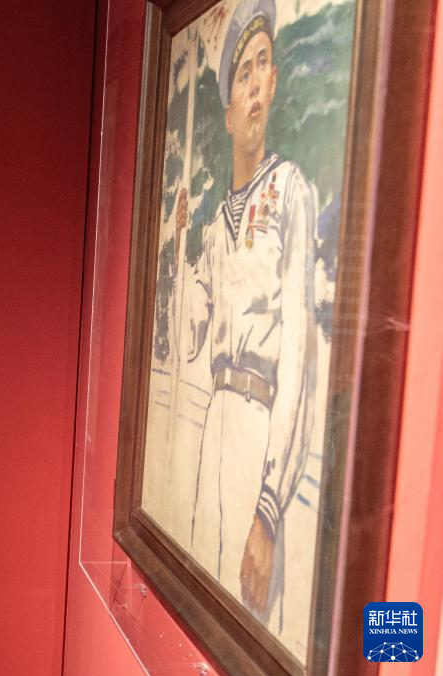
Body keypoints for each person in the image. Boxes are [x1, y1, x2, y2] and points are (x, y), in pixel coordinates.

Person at [171, 0, 317, 622]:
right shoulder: (214, 230)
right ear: (227, 111)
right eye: (243, 73)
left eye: (263, 66)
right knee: (198, 608)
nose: (255, 83)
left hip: (261, 427)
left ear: (275, 82)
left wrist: (269, 505)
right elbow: (188, 338)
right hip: (216, 425)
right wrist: (179, 247)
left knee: (247, 619)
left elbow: (298, 358)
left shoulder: (290, 192)